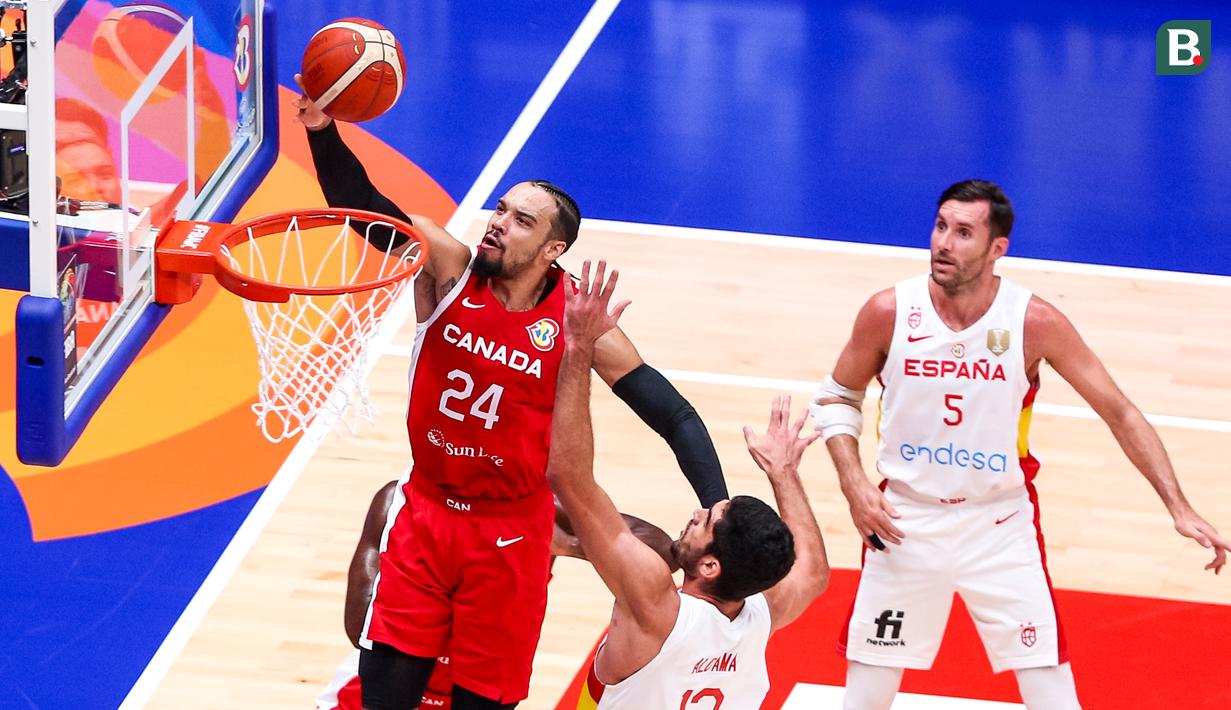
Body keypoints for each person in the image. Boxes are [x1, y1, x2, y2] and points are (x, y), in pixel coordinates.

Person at [292, 83, 729, 709]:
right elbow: (365, 207)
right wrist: (321, 130)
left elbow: (672, 412)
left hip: (513, 531)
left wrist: (717, 504)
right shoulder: (447, 266)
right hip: (428, 511)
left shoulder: (578, 318)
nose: (498, 222)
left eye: (522, 220)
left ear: (554, 250)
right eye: (501, 210)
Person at [813, 179, 1231, 710]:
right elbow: (835, 397)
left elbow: (1120, 411)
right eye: (941, 226)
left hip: (999, 526)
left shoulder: (1034, 323)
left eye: (964, 233)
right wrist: (852, 483)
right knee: (865, 697)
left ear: (997, 249)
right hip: (903, 523)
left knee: (1052, 694)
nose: (944, 243)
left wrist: (1178, 506)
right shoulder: (889, 311)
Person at [548, 260, 831, 708]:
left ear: (711, 567)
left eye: (708, 520)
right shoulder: (760, 614)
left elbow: (568, 477)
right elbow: (812, 572)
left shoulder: (655, 607)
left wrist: (579, 347)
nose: (699, 511)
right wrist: (785, 474)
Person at [315, 481, 679, 710]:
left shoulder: (539, 509)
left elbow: (662, 551)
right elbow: (359, 625)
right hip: (385, 682)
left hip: (477, 686)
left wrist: (566, 544)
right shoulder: (401, 499)